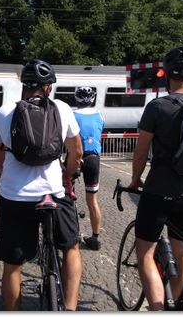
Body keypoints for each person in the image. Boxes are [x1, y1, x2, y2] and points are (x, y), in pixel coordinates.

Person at [0, 59, 84, 311]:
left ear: (23, 85)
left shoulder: (2, 112)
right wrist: (68, 175)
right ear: (48, 88)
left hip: (14, 196)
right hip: (53, 192)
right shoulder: (62, 109)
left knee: (13, 266)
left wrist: (5, 174)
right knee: (72, 249)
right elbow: (76, 150)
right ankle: (71, 309)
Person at [127, 46, 183, 310]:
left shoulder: (158, 106)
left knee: (145, 251)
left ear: (166, 74)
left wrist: (135, 180)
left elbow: (140, 152)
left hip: (158, 191)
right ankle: (182, 306)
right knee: (182, 251)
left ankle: (159, 310)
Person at [67, 86, 104, 251]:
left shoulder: (72, 115)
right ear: (93, 99)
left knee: (66, 195)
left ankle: (69, 233)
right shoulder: (100, 115)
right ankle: (95, 238)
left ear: (76, 98)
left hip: (75, 157)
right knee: (92, 201)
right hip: (93, 159)